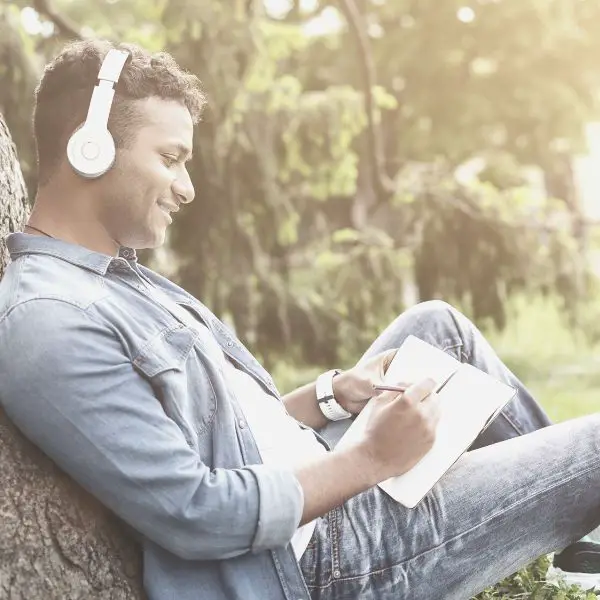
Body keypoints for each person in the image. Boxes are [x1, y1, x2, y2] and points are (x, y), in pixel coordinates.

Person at [1, 39, 599, 600]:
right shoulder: (49, 323)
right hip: (329, 555)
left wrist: (332, 396)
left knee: (439, 328)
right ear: (90, 147)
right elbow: (196, 512)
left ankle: (581, 536)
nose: (187, 188)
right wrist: (369, 460)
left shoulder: (110, 275)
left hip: (316, 479)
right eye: (171, 158)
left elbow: (224, 434)